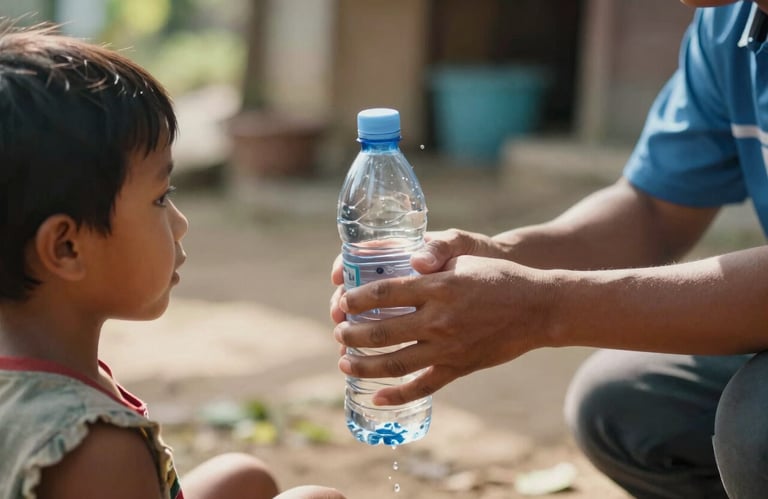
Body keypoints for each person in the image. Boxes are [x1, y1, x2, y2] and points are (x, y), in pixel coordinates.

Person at [330, 1, 768, 497]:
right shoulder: (729, 24)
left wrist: (544, 309)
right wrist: (498, 253)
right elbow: (653, 210)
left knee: (757, 423)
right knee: (624, 405)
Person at [0, 23, 345, 499]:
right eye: (162, 197)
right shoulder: (96, 448)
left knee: (240, 478)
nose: (180, 224)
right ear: (66, 248)